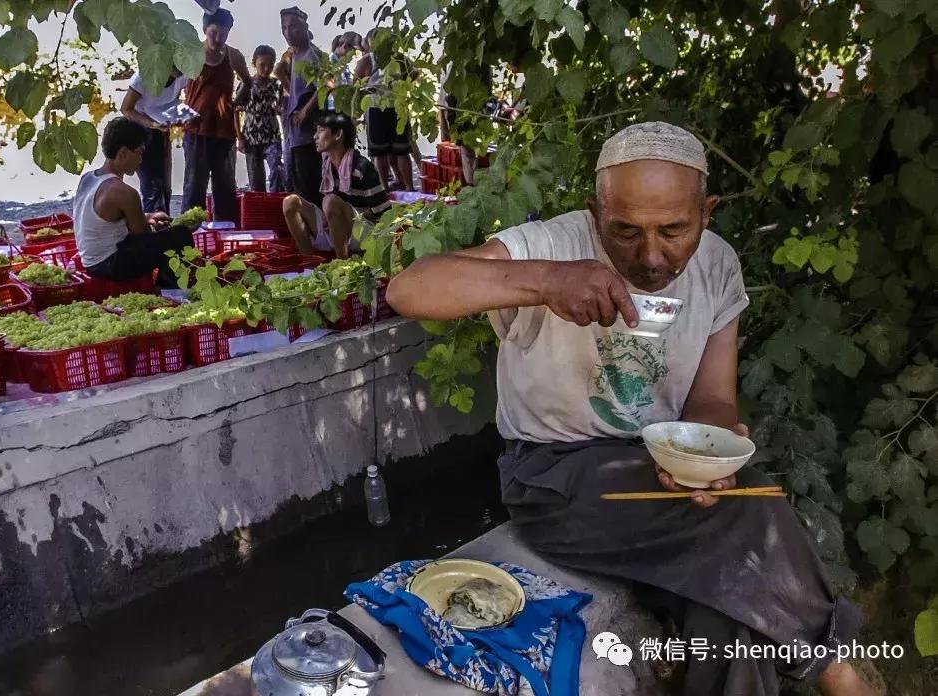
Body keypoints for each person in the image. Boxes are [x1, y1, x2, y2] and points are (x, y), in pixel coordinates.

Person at [385, 122, 879, 696]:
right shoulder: (553, 246)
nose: (650, 256)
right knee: (752, 514)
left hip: (653, 468)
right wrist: (545, 282)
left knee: (728, 608)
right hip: (553, 475)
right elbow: (410, 289)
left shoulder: (717, 266)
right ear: (596, 213)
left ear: (708, 210)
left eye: (674, 230)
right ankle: (840, 672)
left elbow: (713, 400)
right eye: (624, 231)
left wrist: (706, 453)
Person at [74, 118, 192, 289]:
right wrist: (161, 227)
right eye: (140, 152)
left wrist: (149, 216)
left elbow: (108, 221)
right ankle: (171, 291)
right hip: (108, 264)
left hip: (91, 259)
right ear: (123, 153)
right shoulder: (124, 193)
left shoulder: (88, 178)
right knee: (180, 236)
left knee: (167, 232)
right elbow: (142, 234)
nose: (141, 160)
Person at [282, 112, 390, 259]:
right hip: (333, 227)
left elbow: (382, 210)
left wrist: (344, 218)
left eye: (321, 131)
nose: (315, 137)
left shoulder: (362, 167)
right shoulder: (326, 166)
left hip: (363, 234)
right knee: (291, 202)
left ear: (338, 134)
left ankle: (342, 262)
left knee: (331, 201)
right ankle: (308, 260)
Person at [181, 8, 250, 223]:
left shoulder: (234, 56)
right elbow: (172, 88)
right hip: (195, 130)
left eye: (224, 33)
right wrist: (177, 115)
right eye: (214, 33)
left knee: (225, 185)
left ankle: (225, 231)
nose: (219, 39)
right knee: (194, 185)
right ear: (204, 30)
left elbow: (248, 82)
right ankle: (191, 233)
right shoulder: (190, 54)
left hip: (224, 132)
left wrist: (236, 103)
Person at [120, 66, 189, 214]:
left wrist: (178, 116)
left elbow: (175, 98)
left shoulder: (182, 75)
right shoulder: (143, 77)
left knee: (164, 184)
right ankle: (152, 226)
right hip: (140, 131)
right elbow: (126, 109)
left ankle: (164, 223)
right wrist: (151, 124)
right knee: (151, 185)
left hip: (161, 128)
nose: (178, 71)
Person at [276, 7, 325, 208]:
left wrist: (305, 110)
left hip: (309, 133)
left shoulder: (310, 55)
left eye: (294, 27)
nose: (289, 32)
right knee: (298, 186)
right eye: (284, 28)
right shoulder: (294, 54)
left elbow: (326, 85)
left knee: (310, 189)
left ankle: (318, 233)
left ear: (305, 27)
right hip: (295, 133)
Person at [354, 29, 415, 191]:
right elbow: (414, 74)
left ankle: (388, 188)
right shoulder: (399, 58)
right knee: (397, 151)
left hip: (379, 109)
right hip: (392, 108)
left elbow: (356, 84)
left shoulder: (368, 61)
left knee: (385, 152)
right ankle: (406, 187)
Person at [236, 45, 286, 193]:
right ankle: (261, 209)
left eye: (270, 65)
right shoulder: (247, 84)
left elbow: (281, 106)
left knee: (277, 167)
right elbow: (235, 110)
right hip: (251, 135)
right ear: (254, 63)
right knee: (256, 181)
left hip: (272, 134)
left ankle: (276, 205)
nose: (266, 69)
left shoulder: (277, 85)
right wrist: (239, 137)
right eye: (262, 65)